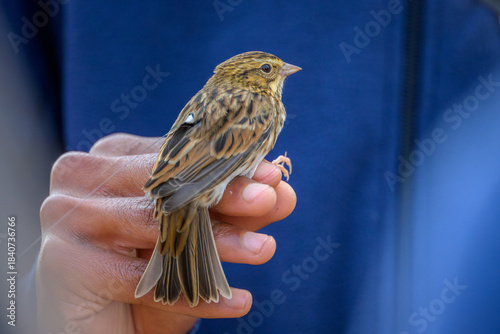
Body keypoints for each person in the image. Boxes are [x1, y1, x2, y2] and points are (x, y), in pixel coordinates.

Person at [2, 0, 500, 333]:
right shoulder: (260, 108)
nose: (282, 72)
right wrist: (27, 309)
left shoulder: (220, 98)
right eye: (270, 69)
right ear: (252, 78)